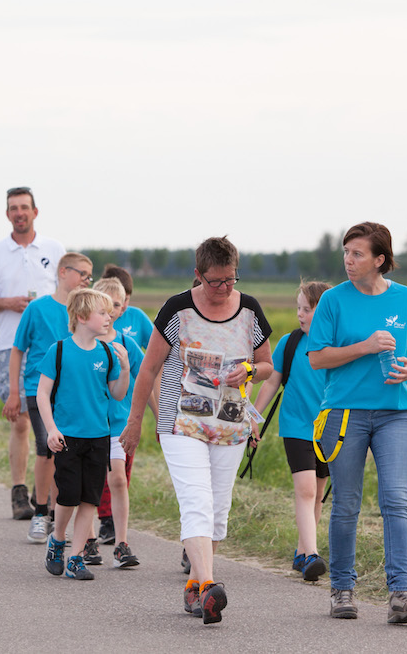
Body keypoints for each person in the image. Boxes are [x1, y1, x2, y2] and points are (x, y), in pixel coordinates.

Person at [121, 236, 273, 625]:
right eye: (214, 281)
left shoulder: (250, 310)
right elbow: (149, 369)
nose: (223, 288)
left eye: (230, 280)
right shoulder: (177, 309)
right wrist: (135, 421)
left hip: (230, 424)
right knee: (196, 502)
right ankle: (208, 585)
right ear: (198, 274)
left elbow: (267, 365)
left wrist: (250, 370)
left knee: (218, 511)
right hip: (181, 422)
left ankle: (194, 588)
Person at [307, 221, 407, 624]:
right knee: (346, 503)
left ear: (380, 260)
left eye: (357, 253)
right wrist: (365, 346)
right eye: (346, 252)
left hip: (397, 411)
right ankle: (342, 590)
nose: (348, 259)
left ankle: (401, 594)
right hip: (345, 413)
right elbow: (317, 358)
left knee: (396, 499)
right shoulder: (333, 300)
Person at [0, 186, 66, 520]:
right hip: (11, 344)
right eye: (13, 208)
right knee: (20, 420)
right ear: (7, 214)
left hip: (51, 346)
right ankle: (19, 490)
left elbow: (68, 291)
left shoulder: (54, 249)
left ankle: (51, 496)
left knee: (54, 420)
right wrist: (9, 303)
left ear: (35, 212)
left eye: (24, 207)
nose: (19, 213)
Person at [37, 288, 129, 580]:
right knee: (67, 497)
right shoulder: (58, 351)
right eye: (102, 313)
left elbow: (117, 394)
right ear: (81, 317)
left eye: (109, 312)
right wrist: (51, 429)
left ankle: (76, 558)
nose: (109, 317)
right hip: (67, 438)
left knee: (89, 498)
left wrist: (125, 369)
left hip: (99, 437)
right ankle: (57, 540)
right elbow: (42, 393)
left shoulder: (107, 352)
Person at [5, 252, 94, 542]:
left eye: (89, 276)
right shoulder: (37, 308)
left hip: (71, 393)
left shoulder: (84, 313)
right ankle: (40, 512)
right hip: (38, 389)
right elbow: (17, 350)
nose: (87, 280)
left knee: (64, 453)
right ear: (63, 272)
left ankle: (57, 516)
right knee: (46, 448)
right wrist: (14, 392)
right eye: (82, 273)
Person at [252, 280, 331, 582]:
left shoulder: (337, 347)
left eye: (307, 309)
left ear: (325, 311)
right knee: (306, 490)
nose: (300, 314)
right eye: (298, 308)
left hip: (329, 431)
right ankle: (312, 554)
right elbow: (271, 382)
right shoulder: (290, 343)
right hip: (296, 426)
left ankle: (302, 553)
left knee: (319, 493)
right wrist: (254, 418)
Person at [81, 277, 155, 568]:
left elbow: (147, 379)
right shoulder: (81, 344)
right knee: (89, 483)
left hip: (118, 425)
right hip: (87, 426)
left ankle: (121, 544)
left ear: (123, 307)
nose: (111, 311)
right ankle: (88, 540)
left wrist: (159, 416)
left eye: (116, 305)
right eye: (104, 305)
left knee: (118, 479)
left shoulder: (127, 344)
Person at [102, 264, 154, 351]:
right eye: (113, 302)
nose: (121, 306)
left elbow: (159, 350)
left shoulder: (137, 316)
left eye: (125, 299)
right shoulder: (92, 319)